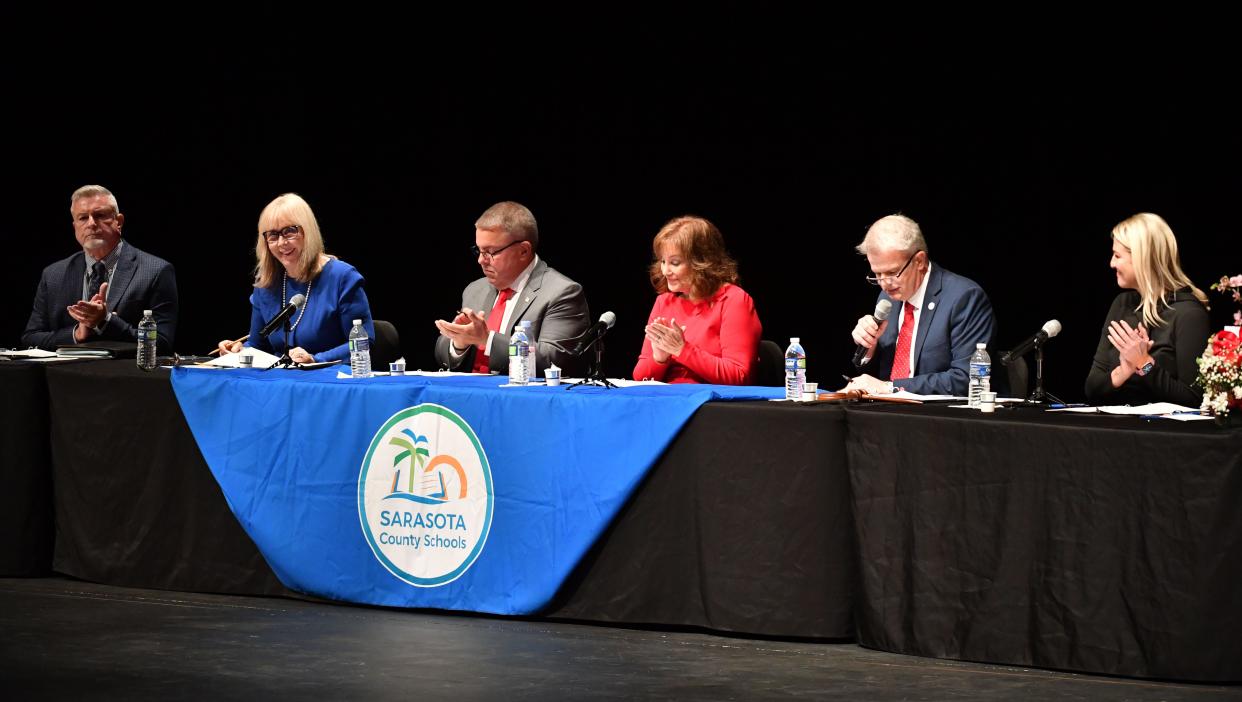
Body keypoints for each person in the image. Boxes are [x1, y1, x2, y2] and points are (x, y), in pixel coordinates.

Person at [845, 214, 995, 396]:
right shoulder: (888, 297)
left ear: (920, 262)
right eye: (877, 274)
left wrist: (890, 388)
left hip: (939, 417)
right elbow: (880, 374)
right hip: (887, 413)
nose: (884, 283)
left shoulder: (964, 298)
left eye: (892, 272)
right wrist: (870, 348)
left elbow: (967, 379)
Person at [434, 201, 590, 376]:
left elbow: (555, 361)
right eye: (479, 251)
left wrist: (487, 339)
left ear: (523, 251)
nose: (481, 261)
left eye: (490, 252)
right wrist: (459, 343)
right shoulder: (475, 290)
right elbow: (442, 355)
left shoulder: (561, 292)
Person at [217, 193, 373, 364]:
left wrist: (315, 359)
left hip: (330, 380)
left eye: (289, 231)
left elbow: (363, 342)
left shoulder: (342, 277)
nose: (282, 242)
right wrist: (239, 351)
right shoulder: (266, 283)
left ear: (308, 232)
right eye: (273, 235)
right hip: (280, 382)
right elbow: (257, 344)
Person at [22, 185, 178, 353]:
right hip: (64, 376)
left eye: (100, 215)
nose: (91, 223)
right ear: (75, 227)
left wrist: (106, 321)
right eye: (83, 218)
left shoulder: (155, 271)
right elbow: (31, 338)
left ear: (119, 222)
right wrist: (78, 333)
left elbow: (161, 343)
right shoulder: (53, 274)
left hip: (123, 376)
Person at [1084, 213, 1210, 406]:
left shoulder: (1189, 314)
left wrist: (1145, 365)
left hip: (1163, 435)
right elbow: (1092, 388)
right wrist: (1122, 372)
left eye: (1117, 256)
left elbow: (1194, 398)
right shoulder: (1122, 304)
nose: (1111, 263)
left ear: (1143, 259)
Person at [632, 216, 762, 384]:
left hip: (712, 406)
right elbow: (639, 378)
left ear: (701, 262)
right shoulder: (664, 302)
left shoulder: (733, 300)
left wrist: (682, 350)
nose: (665, 271)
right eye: (663, 261)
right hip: (667, 402)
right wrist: (659, 358)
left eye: (675, 263)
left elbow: (739, 376)